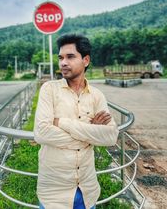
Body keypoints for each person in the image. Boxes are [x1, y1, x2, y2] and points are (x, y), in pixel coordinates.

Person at [34, 34, 119, 209]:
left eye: (70, 57)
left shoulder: (96, 96)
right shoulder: (49, 90)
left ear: (85, 60)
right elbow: (41, 133)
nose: (63, 62)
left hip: (87, 191)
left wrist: (62, 123)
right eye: (60, 57)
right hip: (54, 194)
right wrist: (91, 133)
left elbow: (111, 136)